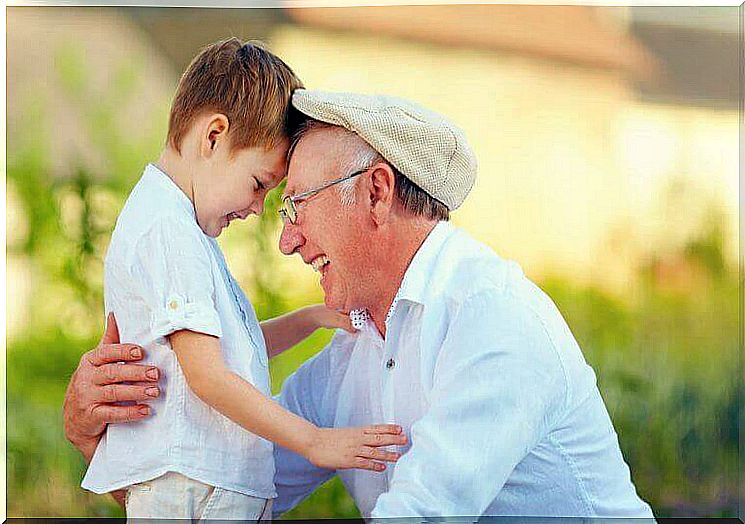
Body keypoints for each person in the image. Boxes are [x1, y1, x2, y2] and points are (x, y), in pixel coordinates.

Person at [65, 89, 654, 519]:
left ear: (375, 193)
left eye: (296, 206)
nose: (286, 239)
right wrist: (95, 433)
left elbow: (421, 513)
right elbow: (221, 486)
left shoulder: (492, 318)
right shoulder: (354, 353)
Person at [77, 44, 406, 521]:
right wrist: (315, 441)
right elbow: (209, 376)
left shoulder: (183, 226)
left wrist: (311, 318)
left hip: (206, 485)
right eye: (258, 184)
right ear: (213, 137)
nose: (257, 208)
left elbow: (231, 352)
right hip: (195, 488)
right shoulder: (169, 232)